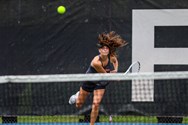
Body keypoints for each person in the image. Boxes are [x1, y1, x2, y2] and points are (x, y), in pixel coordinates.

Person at [69, 31, 128, 125]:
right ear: (99, 51)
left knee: (96, 104)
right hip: (90, 80)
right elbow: (105, 75)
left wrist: (115, 70)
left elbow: (115, 61)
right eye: (102, 48)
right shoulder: (96, 62)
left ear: (109, 50)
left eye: (106, 48)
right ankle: (77, 95)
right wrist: (114, 77)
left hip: (100, 83)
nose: (105, 50)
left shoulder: (111, 56)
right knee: (78, 105)